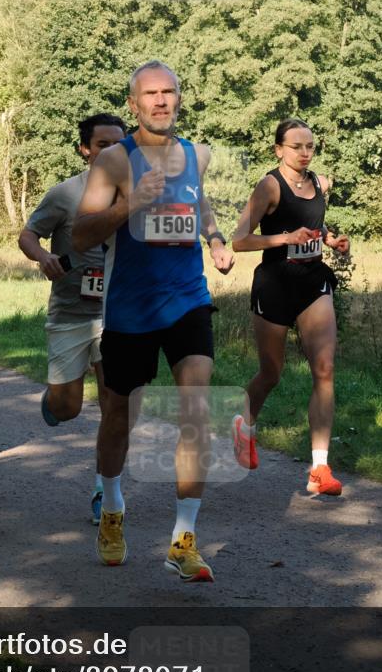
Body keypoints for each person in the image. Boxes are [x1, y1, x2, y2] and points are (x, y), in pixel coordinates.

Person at [73, 60, 234, 580]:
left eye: (169, 92)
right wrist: (129, 206)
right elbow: (81, 236)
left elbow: (199, 202)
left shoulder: (196, 155)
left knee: (197, 409)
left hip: (188, 299)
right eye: (150, 94)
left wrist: (214, 239)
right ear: (134, 104)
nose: (161, 101)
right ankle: (113, 507)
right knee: (117, 418)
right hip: (130, 309)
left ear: (179, 98)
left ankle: (183, 541)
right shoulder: (114, 163)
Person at [231, 118, 350, 496]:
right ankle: (244, 423)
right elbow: (239, 240)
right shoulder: (269, 186)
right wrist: (284, 238)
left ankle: (320, 468)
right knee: (271, 373)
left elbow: (314, 221)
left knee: (325, 369)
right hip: (275, 284)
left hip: (313, 281)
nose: (304, 153)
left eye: (310, 146)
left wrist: (331, 240)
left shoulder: (319, 182)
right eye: (296, 146)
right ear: (278, 149)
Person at [19, 113, 127, 524]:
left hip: (117, 315)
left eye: (120, 144)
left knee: (115, 406)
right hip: (70, 313)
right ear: (85, 149)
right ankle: (55, 400)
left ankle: (106, 490)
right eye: (103, 145)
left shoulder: (136, 193)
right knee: (69, 409)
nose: (113, 152)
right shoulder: (65, 194)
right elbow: (28, 235)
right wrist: (44, 257)